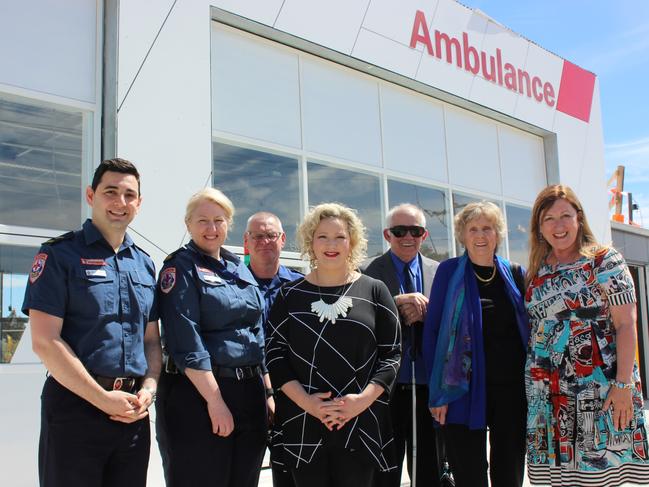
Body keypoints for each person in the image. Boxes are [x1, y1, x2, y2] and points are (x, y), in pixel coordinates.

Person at [23, 158, 161, 487]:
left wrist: (149, 390)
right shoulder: (59, 255)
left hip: (132, 412)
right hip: (75, 409)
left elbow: (152, 340)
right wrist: (101, 399)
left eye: (129, 195)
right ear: (91, 195)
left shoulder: (144, 264)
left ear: (139, 204)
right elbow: (45, 341)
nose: (120, 202)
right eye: (110, 192)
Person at [266, 203, 401, 487]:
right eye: (322, 236)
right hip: (303, 423)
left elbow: (391, 355)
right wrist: (308, 403)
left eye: (339, 236)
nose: (331, 244)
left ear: (352, 241)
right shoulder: (289, 295)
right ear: (310, 242)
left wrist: (361, 401)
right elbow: (275, 356)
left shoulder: (375, 290)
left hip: (361, 422)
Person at [525, 185, 649, 486]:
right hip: (546, 388)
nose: (559, 226)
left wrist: (623, 385)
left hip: (598, 385)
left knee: (597, 473)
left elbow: (626, 324)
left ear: (579, 218)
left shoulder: (605, 261)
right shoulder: (537, 271)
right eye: (549, 219)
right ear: (539, 228)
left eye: (566, 216)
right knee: (558, 478)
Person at [156, 188, 267, 487]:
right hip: (200, 394)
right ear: (188, 224)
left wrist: (267, 392)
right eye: (202, 220)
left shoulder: (238, 268)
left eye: (219, 220)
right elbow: (185, 339)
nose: (211, 228)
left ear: (229, 224)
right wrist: (215, 401)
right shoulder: (179, 267)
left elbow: (256, 330)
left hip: (249, 390)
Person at [423, 201, 529, 487]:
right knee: (470, 474)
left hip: (511, 391)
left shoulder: (515, 273)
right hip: (461, 390)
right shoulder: (448, 272)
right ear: (462, 235)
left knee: (510, 473)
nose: (480, 235)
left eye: (487, 228)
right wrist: (438, 394)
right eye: (473, 229)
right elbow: (432, 332)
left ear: (498, 234)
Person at [361, 203, 440, 487]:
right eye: (399, 231)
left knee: (429, 470)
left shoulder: (439, 271)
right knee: (384, 472)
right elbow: (360, 319)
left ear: (424, 234)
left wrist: (427, 311)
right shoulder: (366, 272)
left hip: (430, 387)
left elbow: (451, 322)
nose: (408, 237)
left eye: (415, 231)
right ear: (387, 234)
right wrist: (396, 303)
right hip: (385, 389)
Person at [244, 212, 303, 487]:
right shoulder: (232, 283)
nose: (265, 241)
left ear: (283, 240)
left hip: (293, 395)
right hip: (243, 392)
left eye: (271, 235)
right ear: (246, 241)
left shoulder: (300, 288)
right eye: (257, 236)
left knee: (291, 475)